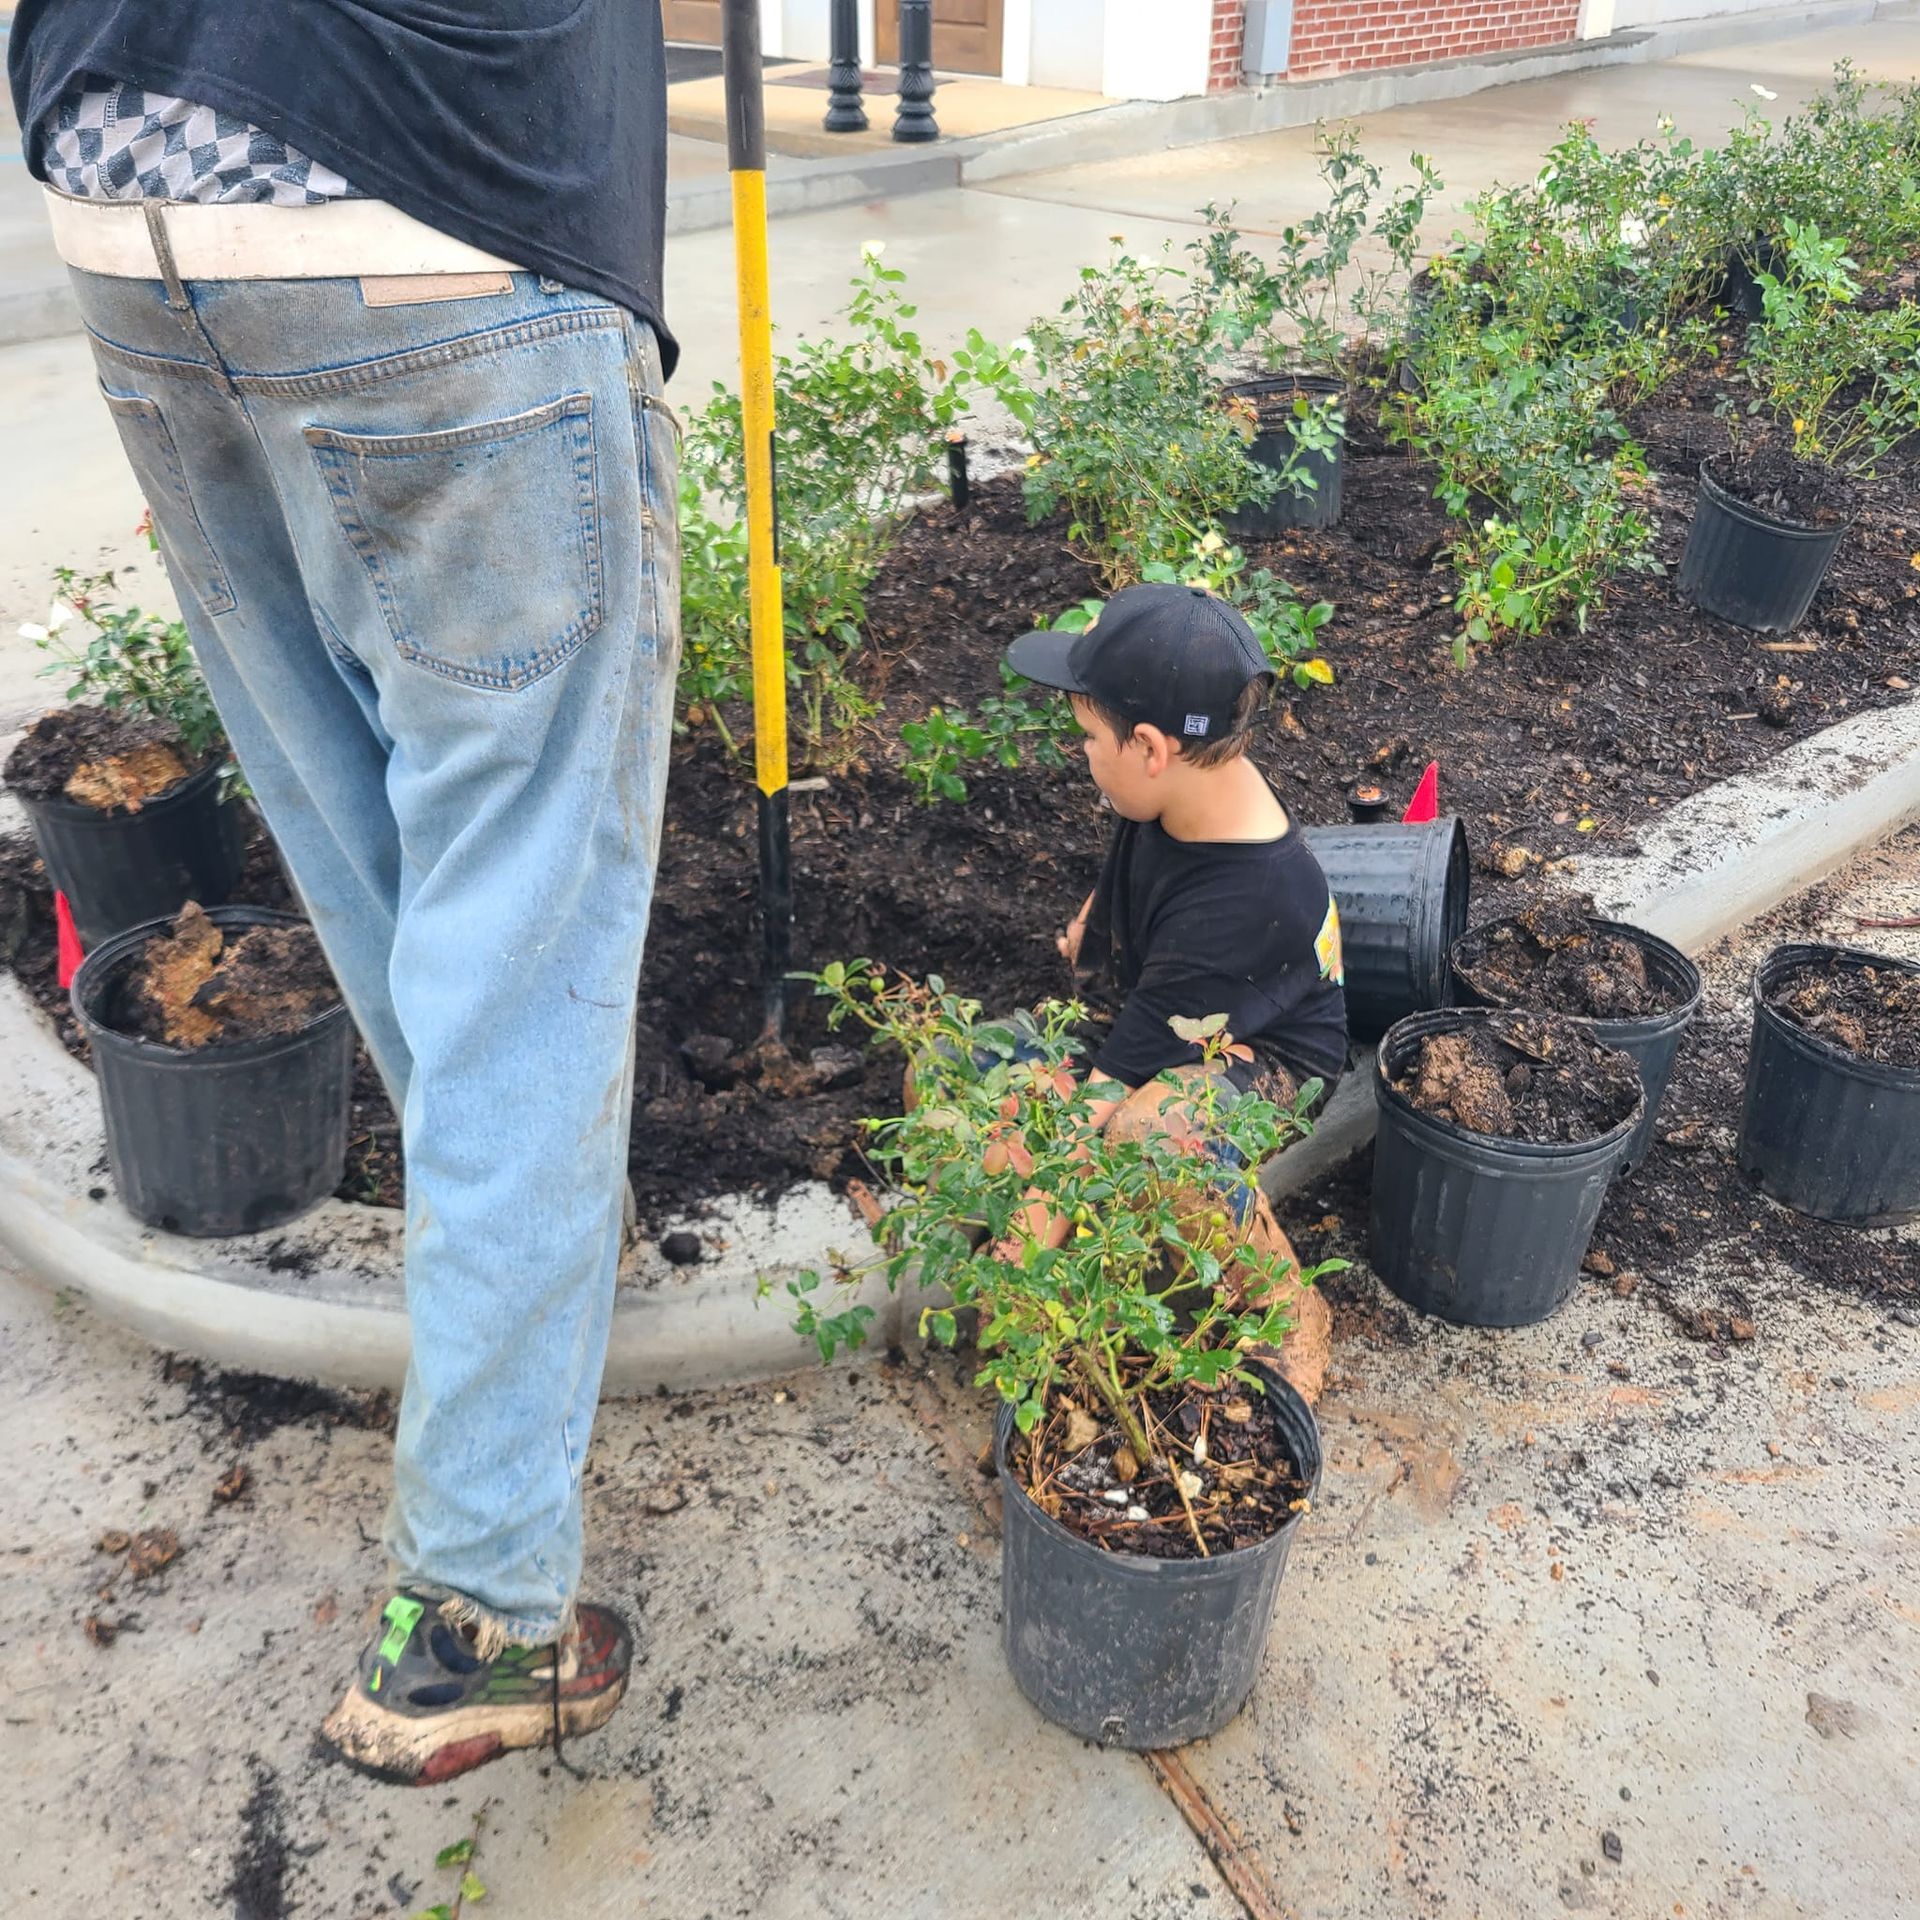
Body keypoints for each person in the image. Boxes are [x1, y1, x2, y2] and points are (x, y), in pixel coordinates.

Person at [9, 1, 677, 1784]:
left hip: (126, 190)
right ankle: (474, 1613)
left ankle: (527, 1229)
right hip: (441, 193)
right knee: (520, 904)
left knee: (368, 854)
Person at [999, 580, 1349, 1265]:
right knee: (975, 1079)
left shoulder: (1246, 901)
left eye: (1090, 739)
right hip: (1174, 1003)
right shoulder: (1188, 788)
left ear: (1152, 749)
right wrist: (1093, 924)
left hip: (1266, 1052)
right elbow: (1135, 868)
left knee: (1148, 1137)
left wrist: (1024, 1254)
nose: (1085, 755)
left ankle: (1273, 1306)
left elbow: (1110, 1085)